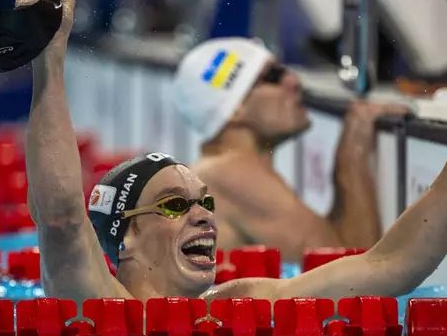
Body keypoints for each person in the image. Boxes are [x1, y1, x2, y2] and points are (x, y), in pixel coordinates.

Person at [23, 0, 447, 304]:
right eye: (177, 204)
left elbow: (392, 265)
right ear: (126, 238)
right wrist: (50, 63)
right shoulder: (91, 306)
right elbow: (64, 218)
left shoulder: (249, 300)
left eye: (202, 202)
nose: (206, 214)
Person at [170, 37, 409, 261]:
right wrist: (355, 144)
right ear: (235, 109)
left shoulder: (217, 170)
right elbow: (357, 274)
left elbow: (331, 251)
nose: (294, 81)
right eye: (273, 76)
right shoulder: (232, 174)